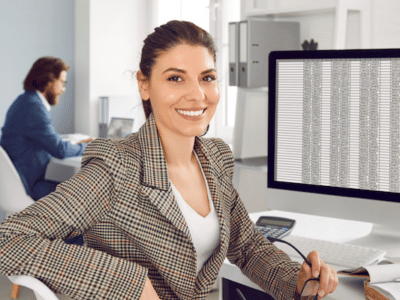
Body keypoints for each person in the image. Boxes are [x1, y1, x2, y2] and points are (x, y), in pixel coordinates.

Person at [0, 21, 338, 299]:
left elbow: (247, 246)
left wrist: (297, 279)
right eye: (175, 78)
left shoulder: (216, 158)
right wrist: (131, 284)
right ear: (144, 85)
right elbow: (9, 240)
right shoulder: (116, 167)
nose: (197, 95)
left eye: (207, 77)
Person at [0, 57, 93, 201]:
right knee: (84, 195)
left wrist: (75, 145)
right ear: (49, 80)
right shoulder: (34, 107)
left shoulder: (23, 101)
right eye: (62, 82)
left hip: (15, 185)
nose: (63, 89)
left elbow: (48, 141)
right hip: (27, 187)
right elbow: (60, 150)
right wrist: (91, 146)